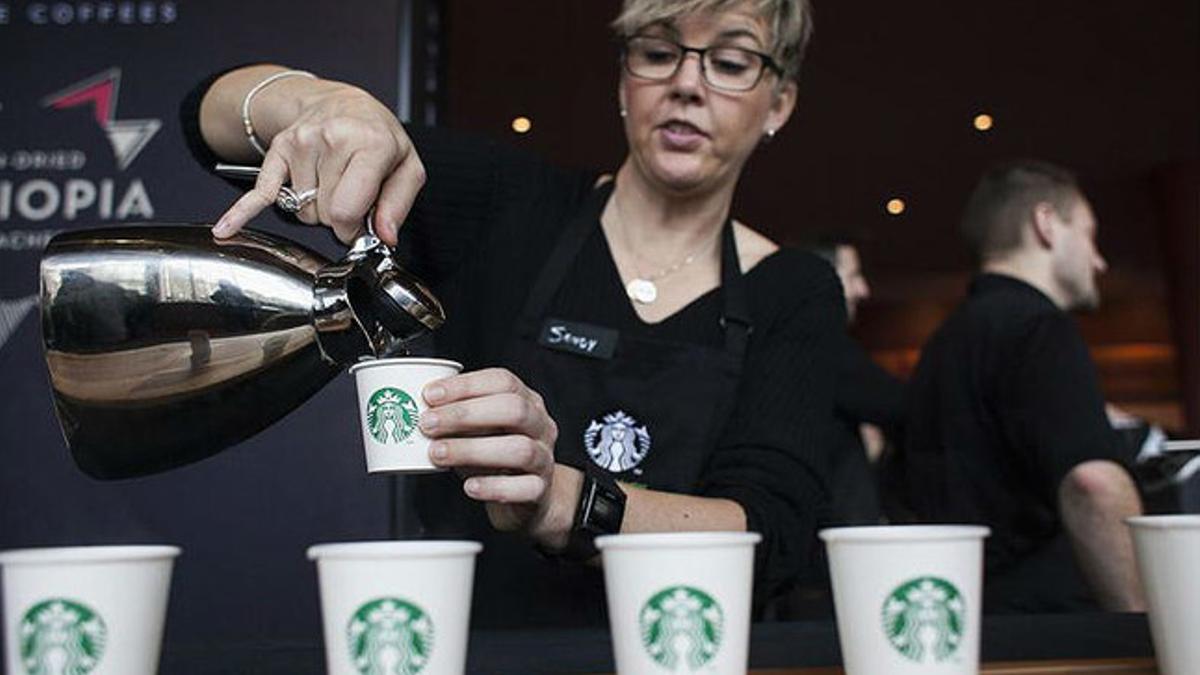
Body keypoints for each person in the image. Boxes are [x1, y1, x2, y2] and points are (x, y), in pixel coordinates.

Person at [189, 0, 843, 627]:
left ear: (778, 102)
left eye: (730, 64)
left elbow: (770, 539)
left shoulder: (793, 290)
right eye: (658, 52)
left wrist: (559, 499)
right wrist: (321, 103)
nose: (686, 84)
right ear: (624, 79)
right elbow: (205, 117)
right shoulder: (509, 206)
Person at [892, 160, 1146, 613]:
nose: (1099, 260)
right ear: (1046, 224)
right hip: (1053, 629)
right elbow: (1093, 484)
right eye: (1089, 234)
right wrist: (1146, 626)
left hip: (967, 618)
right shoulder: (1039, 328)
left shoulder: (943, 344)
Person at [809, 237, 905, 525]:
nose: (863, 290)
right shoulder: (822, 344)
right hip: (834, 531)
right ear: (823, 280)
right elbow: (903, 406)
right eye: (852, 276)